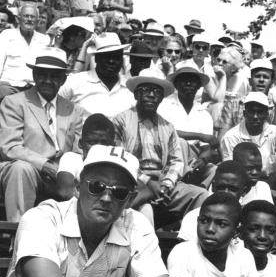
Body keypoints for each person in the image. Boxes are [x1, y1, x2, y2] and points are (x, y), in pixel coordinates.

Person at [1, 145, 176, 277]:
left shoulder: (135, 224)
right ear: (77, 187)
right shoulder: (42, 218)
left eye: (119, 192)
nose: (106, 198)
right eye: (97, 186)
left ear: (130, 199)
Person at [0, 49, 86, 221]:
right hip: (26, 170)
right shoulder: (14, 102)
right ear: (34, 74)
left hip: (61, 176)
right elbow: (10, 148)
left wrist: (65, 171)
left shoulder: (74, 110)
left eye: (54, 76)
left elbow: (78, 151)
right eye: (42, 74)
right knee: (20, 168)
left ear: (63, 79)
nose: (47, 80)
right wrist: (46, 166)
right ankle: (18, 234)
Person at [113, 70, 207, 225]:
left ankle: (190, 242)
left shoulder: (168, 126)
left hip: (163, 184)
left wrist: (166, 185)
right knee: (145, 210)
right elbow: (120, 160)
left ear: (162, 98)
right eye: (146, 90)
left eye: (157, 91)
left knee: (200, 195)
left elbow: (176, 161)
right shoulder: (120, 121)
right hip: (134, 183)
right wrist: (149, 183)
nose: (151, 95)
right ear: (136, 94)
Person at [168, 192, 260, 277]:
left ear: (236, 231)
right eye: (204, 220)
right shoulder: (183, 253)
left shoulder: (243, 256)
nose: (210, 229)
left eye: (221, 224)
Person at [219, 91, 276, 204]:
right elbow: (231, 176)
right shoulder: (231, 137)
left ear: (267, 114)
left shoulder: (273, 131)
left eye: (260, 112)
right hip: (245, 184)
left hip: (270, 181)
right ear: (244, 113)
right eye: (251, 112)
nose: (255, 116)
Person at [177, 159, 271, 242]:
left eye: (233, 189)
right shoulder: (193, 218)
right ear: (213, 186)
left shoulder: (250, 222)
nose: (226, 193)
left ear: (244, 190)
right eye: (221, 187)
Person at [158, 66, 217, 185]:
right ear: (176, 84)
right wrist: (200, 136)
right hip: (167, 155)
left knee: (213, 169)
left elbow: (206, 148)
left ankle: (199, 193)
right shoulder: (164, 105)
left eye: (193, 81)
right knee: (181, 143)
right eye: (184, 80)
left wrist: (202, 160)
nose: (189, 84)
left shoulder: (204, 114)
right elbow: (166, 133)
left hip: (193, 157)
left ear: (199, 86)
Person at [58, 32, 134, 116]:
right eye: (106, 56)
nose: (111, 61)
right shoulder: (74, 82)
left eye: (116, 57)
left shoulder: (130, 87)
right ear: (96, 58)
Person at [55, 113, 116, 200]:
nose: (98, 147)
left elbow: (142, 190)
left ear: (114, 146)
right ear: (80, 143)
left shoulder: (117, 164)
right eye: (92, 142)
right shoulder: (72, 159)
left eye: (105, 143)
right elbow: (65, 191)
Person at [0, 4, 48, 99]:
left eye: (33, 17)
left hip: (34, 87)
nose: (29, 19)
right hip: (10, 85)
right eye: (26, 16)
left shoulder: (45, 40)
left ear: (37, 21)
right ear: (18, 19)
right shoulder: (6, 35)